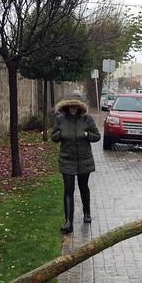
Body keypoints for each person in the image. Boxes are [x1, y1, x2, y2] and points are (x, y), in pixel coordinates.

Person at [51, 97, 101, 234]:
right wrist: (60, 134)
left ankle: (87, 212)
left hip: (84, 160)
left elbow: (97, 136)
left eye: (75, 107)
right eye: (70, 107)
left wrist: (86, 134)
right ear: (67, 107)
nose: (73, 109)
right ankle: (68, 222)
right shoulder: (60, 119)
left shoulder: (87, 119)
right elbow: (53, 137)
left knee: (83, 187)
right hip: (67, 159)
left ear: (79, 108)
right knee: (68, 190)